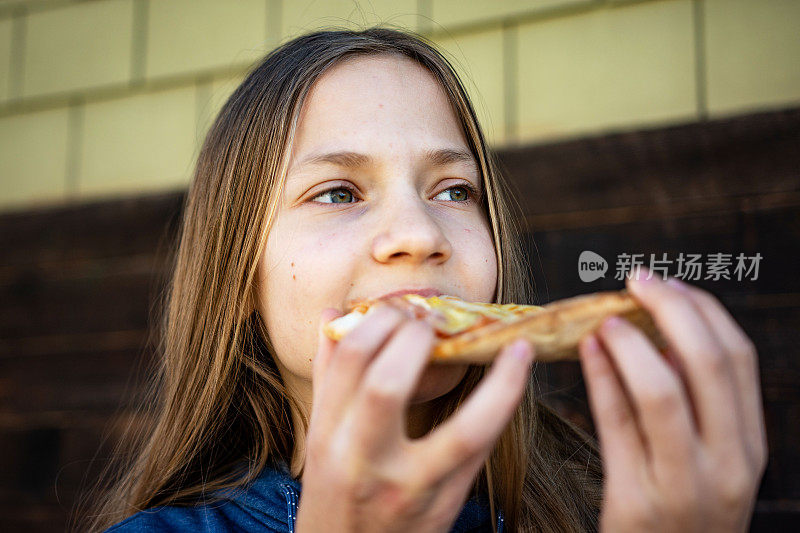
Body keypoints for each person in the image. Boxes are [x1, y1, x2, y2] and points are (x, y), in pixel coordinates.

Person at [90, 27, 767, 532]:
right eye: (337, 192)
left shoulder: (610, 511)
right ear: (241, 275)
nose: (420, 234)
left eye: (452, 190)